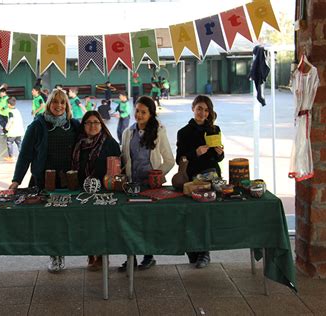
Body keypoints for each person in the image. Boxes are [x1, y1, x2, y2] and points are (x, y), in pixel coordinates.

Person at [9, 89, 80, 273]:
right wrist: (16, 180)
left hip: (67, 181)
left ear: (66, 105)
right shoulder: (37, 126)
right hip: (44, 181)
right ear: (49, 104)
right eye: (55, 102)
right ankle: (54, 255)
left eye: (62, 102)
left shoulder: (73, 125)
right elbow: (25, 155)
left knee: (65, 219)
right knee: (50, 220)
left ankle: (63, 251)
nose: (59, 106)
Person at [119, 96, 175, 272]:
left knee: (147, 223)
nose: (139, 115)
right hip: (131, 186)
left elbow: (169, 160)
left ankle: (149, 256)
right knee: (129, 223)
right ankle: (131, 258)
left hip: (150, 188)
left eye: (143, 112)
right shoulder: (128, 132)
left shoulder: (159, 132)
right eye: (137, 111)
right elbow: (124, 158)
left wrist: (157, 176)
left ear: (151, 114)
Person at [176, 95, 224, 269]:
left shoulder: (215, 129)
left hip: (212, 177)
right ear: (193, 109)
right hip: (192, 179)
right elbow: (179, 159)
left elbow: (220, 158)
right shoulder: (184, 132)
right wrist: (195, 153)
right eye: (199, 109)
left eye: (205, 109)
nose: (202, 113)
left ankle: (204, 252)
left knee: (206, 216)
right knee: (191, 214)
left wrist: (219, 153)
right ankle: (192, 250)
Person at [71, 111, 121, 270]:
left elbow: (117, 168)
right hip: (83, 191)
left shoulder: (110, 143)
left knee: (101, 225)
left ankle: (101, 255)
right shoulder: (78, 143)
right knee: (86, 225)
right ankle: (90, 254)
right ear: (83, 125)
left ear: (101, 124)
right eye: (88, 122)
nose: (92, 126)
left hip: (103, 191)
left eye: (96, 122)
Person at [4, 97, 24, 162]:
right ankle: (23, 155)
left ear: (9, 104)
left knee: (9, 143)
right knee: (19, 143)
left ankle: (11, 157)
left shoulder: (10, 112)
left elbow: (10, 120)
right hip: (19, 130)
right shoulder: (17, 110)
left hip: (13, 131)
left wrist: (6, 128)